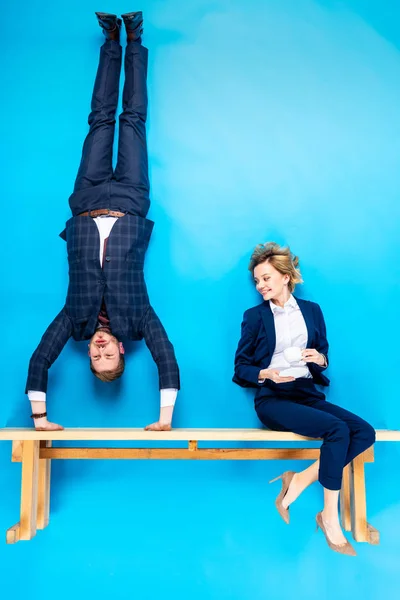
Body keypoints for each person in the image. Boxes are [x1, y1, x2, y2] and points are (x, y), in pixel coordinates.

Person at [26, 12, 180, 432]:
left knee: (98, 119)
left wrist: (39, 419)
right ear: (122, 352)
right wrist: (165, 419)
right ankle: (136, 39)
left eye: (95, 358)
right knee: (131, 121)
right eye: (107, 356)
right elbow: (166, 355)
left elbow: (41, 357)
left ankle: (111, 40)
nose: (98, 350)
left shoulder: (73, 321)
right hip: (131, 202)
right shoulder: (139, 319)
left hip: (88, 201)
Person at [233, 242, 375, 556]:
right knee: (337, 430)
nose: (261, 286)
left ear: (285, 276)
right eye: (257, 281)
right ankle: (329, 517)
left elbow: (323, 354)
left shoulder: (312, 311)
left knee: (365, 432)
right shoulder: (254, 316)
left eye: (267, 278)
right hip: (273, 399)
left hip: (307, 393)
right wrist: (267, 374)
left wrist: (319, 359)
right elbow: (240, 367)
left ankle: (298, 480)